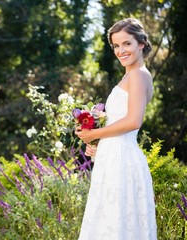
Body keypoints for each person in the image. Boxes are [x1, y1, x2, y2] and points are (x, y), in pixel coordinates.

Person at [75, 18, 157, 239]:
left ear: (141, 43)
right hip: (112, 159)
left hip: (123, 160)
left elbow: (133, 121)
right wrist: (99, 145)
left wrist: (94, 134)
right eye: (116, 46)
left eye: (127, 44)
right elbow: (119, 124)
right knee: (108, 224)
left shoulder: (139, 75)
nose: (121, 50)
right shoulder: (130, 75)